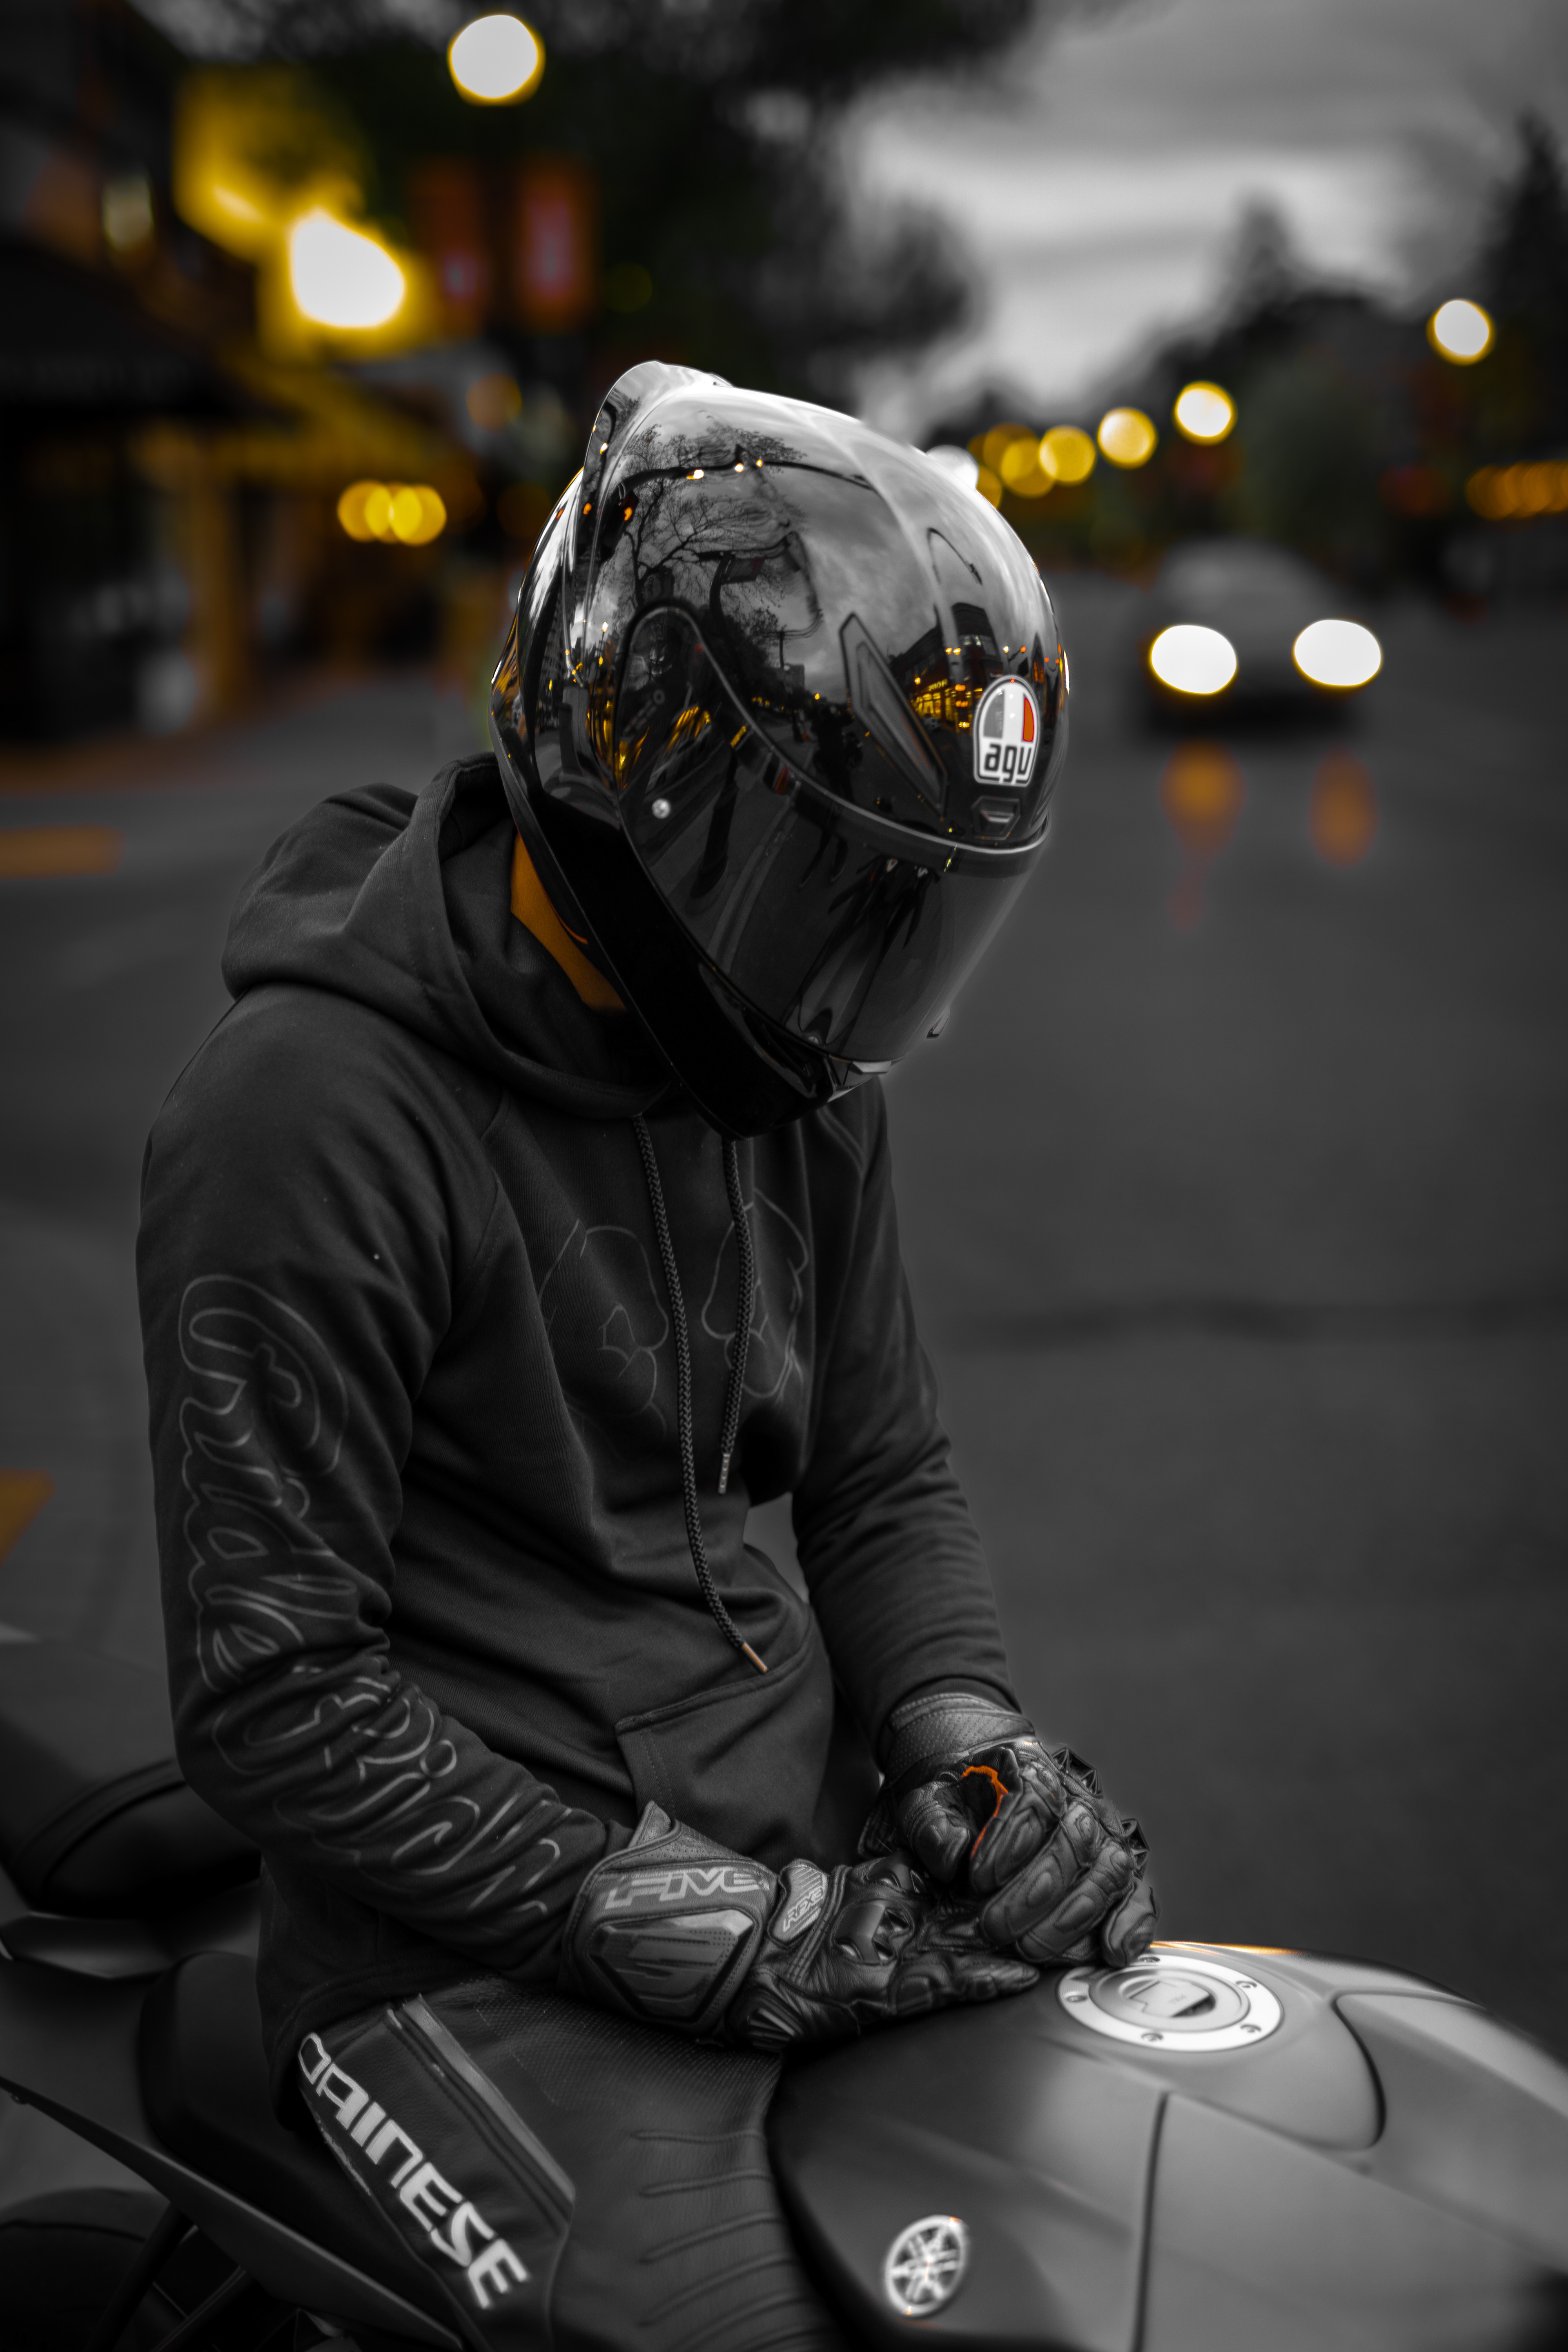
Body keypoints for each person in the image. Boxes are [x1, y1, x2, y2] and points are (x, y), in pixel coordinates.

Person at [138, 363, 1155, 2352]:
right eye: (822, 898)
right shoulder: (309, 1114)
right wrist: (719, 1931)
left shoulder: (790, 1067)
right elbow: (277, 1694)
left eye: (903, 927)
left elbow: (880, 1473)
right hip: (451, 1964)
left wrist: (966, 1747)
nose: (856, 1001)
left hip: (805, 1880)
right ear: (636, 761)